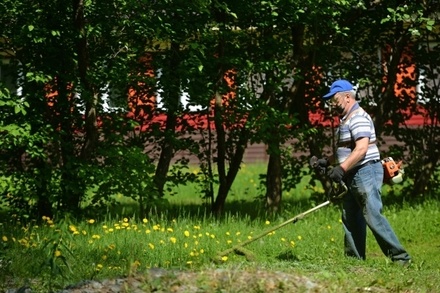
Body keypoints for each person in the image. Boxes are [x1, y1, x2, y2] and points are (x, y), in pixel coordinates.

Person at [316, 79, 411, 265]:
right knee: (351, 219)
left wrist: (341, 168)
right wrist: (328, 162)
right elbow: (348, 149)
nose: (332, 104)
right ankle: (354, 262)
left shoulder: (358, 117)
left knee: (373, 216)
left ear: (347, 97)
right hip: (354, 173)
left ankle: (401, 259)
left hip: (365, 172)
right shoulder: (347, 119)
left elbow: (361, 149)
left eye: (334, 100)